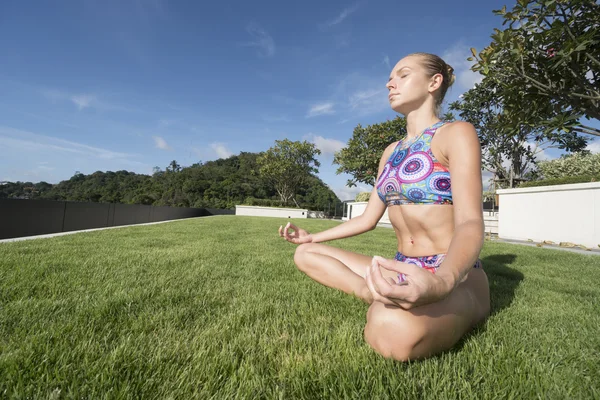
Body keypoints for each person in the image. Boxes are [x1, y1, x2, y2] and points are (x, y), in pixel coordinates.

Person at [278, 52, 490, 362]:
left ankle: (456, 304)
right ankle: (373, 293)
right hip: (403, 267)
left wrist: (442, 281)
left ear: (434, 82)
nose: (390, 83)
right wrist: (312, 238)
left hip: (453, 272)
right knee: (305, 254)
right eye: (390, 78)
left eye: (402, 75)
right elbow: (367, 219)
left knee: (390, 332)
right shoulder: (391, 151)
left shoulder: (456, 133)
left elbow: (470, 223)